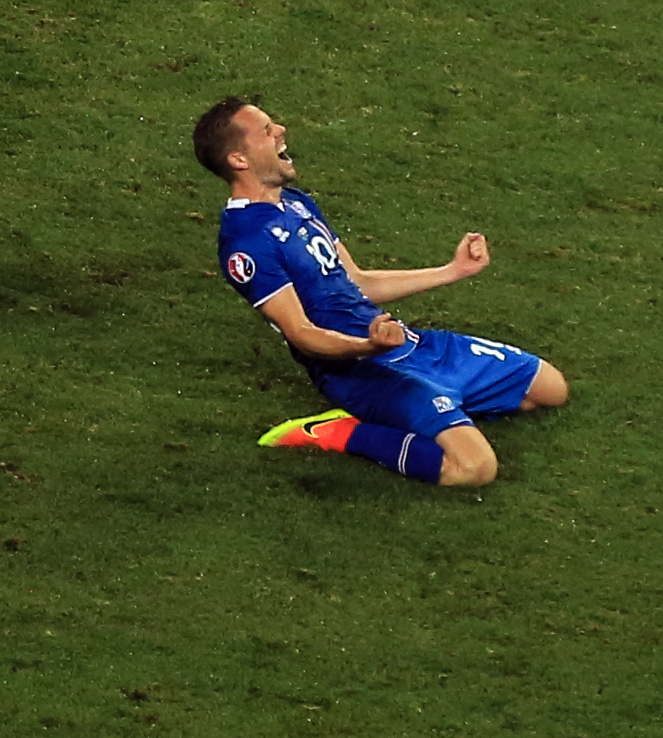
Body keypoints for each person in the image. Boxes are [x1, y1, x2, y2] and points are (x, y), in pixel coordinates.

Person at [201, 97, 569, 487]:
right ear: (239, 160)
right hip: (362, 371)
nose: (281, 131)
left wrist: (453, 271)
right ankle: (341, 433)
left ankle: (439, 407)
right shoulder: (246, 244)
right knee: (475, 468)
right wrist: (368, 349)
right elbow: (302, 334)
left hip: (408, 345)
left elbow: (357, 281)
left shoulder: (296, 204)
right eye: (266, 130)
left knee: (550, 390)